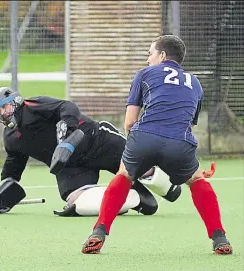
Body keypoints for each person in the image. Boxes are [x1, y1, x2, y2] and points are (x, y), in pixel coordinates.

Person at [81, 35, 232, 255]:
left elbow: (130, 122)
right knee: (197, 180)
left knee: (124, 176)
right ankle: (220, 237)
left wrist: (136, 148)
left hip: (144, 137)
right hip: (179, 143)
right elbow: (187, 122)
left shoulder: (144, 74)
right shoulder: (195, 82)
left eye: (150, 54)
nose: (148, 59)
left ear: (162, 55)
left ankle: (99, 232)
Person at [0, 86, 188, 216]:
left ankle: (160, 183)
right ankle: (129, 195)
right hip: (70, 166)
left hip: (96, 141)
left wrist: (66, 128)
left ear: (16, 102)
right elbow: (13, 169)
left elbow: (67, 106)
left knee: (148, 173)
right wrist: (0, 195)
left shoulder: (33, 106)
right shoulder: (11, 139)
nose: (3, 114)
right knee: (75, 200)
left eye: (5, 107)